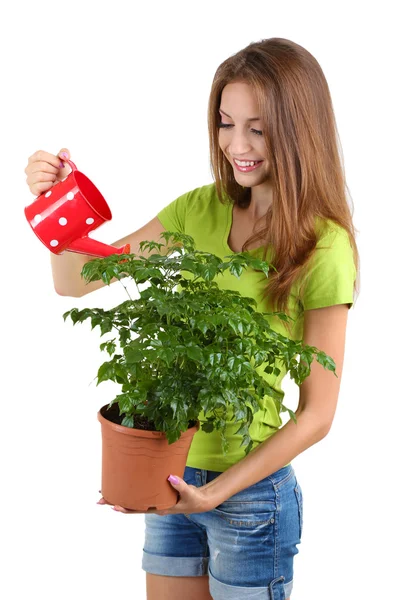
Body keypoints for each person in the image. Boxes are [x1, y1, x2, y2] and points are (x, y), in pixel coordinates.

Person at [24, 37, 359, 600]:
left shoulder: (322, 247)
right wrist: (55, 207)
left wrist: (218, 491)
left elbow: (318, 415)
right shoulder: (198, 210)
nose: (237, 144)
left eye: (258, 127)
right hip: (170, 474)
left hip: (251, 499)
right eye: (226, 123)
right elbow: (74, 281)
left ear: (300, 130)